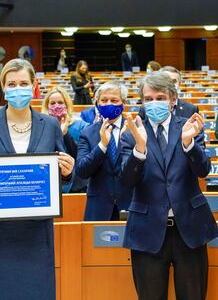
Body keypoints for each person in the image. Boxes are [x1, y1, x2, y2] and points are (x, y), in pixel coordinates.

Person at [120, 71, 218, 300]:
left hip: (189, 229)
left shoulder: (190, 126)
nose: (154, 103)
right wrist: (140, 150)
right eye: (148, 99)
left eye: (160, 97)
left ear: (173, 99)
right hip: (147, 231)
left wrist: (189, 144)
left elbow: (203, 170)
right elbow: (126, 181)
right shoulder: (132, 134)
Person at [0, 58, 74, 299]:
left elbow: (61, 175)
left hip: (37, 231)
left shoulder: (50, 124)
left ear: (33, 86)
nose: (17, 88)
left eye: (23, 82)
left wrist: (67, 171)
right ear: (3, 87)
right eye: (11, 83)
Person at [76, 81, 132, 220]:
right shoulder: (87, 133)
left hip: (130, 204)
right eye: (104, 100)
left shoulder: (135, 130)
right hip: (98, 208)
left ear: (123, 103)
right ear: (97, 103)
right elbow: (82, 171)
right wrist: (102, 146)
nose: (108, 104)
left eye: (114, 100)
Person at [42, 86, 89, 159]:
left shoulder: (81, 126)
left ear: (67, 105)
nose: (56, 106)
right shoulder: (41, 126)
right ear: (47, 106)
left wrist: (65, 134)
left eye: (60, 102)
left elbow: (81, 156)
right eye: (52, 103)